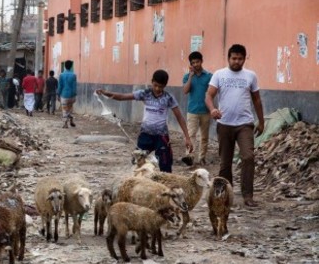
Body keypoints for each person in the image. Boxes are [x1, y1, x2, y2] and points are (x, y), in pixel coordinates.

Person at [96, 69, 193, 173]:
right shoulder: (145, 94)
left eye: (160, 87)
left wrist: (187, 137)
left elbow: (179, 117)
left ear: (164, 86)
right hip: (145, 135)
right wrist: (105, 93)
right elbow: (122, 97)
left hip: (162, 137)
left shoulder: (168, 98)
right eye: (155, 85)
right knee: (137, 162)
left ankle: (165, 187)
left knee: (166, 165)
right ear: (152, 81)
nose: (157, 88)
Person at [205, 44, 264, 208]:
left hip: (244, 124)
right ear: (228, 58)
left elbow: (257, 100)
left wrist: (261, 121)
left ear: (245, 59)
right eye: (234, 58)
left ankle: (248, 195)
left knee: (248, 157)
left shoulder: (250, 76)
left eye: (240, 58)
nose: (237, 61)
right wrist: (212, 109)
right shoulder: (219, 74)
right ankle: (225, 194)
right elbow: (209, 95)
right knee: (225, 163)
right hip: (224, 124)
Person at [183, 51, 213, 165]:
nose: (195, 64)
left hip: (206, 111)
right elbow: (185, 91)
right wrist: (190, 76)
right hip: (192, 111)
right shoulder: (187, 76)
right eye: (193, 63)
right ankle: (190, 157)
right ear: (190, 64)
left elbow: (213, 92)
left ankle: (202, 158)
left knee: (204, 137)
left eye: (197, 62)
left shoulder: (209, 76)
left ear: (202, 61)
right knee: (191, 135)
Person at [57, 60, 77, 128]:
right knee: (70, 109)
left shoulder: (61, 75)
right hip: (71, 95)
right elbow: (74, 86)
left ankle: (65, 123)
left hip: (64, 95)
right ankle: (71, 118)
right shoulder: (74, 75)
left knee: (64, 109)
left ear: (65, 66)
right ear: (71, 66)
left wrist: (58, 94)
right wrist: (75, 95)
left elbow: (60, 86)